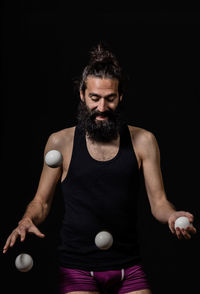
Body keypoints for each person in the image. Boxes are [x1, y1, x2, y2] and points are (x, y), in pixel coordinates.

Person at [3, 43, 196, 294]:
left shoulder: (144, 141)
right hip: (77, 268)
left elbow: (159, 202)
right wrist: (27, 218)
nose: (102, 108)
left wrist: (171, 215)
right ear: (82, 95)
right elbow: (41, 201)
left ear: (120, 97)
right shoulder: (60, 142)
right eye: (94, 98)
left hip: (128, 266)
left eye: (110, 98)